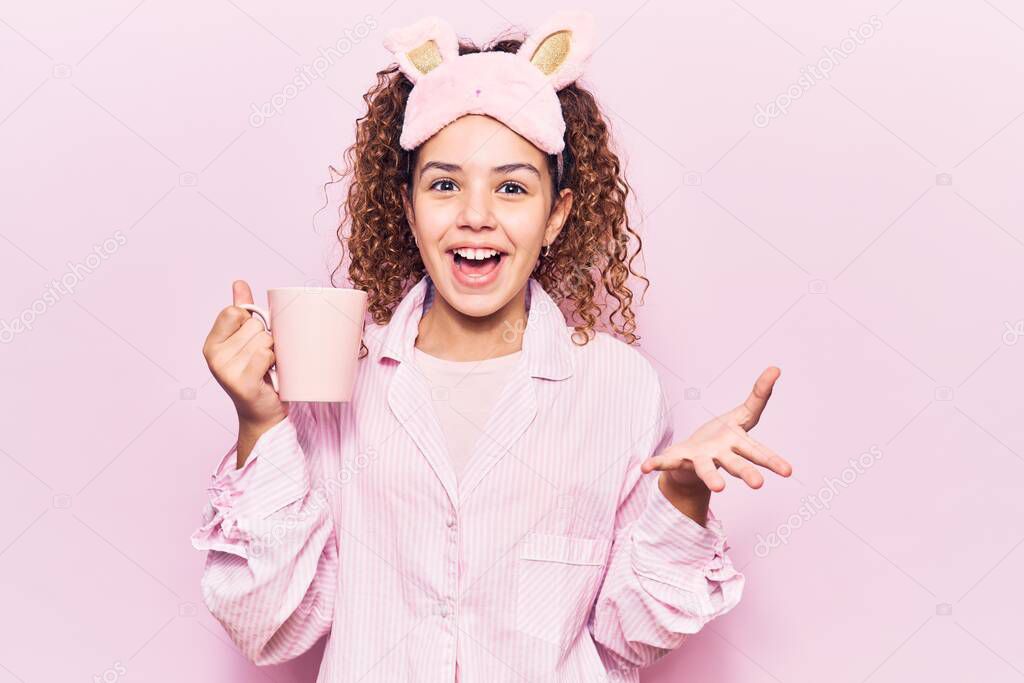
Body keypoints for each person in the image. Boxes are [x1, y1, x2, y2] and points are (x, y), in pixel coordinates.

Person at [193, 10, 792, 682]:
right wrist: (260, 424)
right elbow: (268, 625)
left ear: (556, 215)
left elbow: (634, 639)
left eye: (511, 187)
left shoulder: (617, 387)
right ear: (408, 205)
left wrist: (682, 497)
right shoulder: (335, 375)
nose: (476, 214)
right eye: (445, 184)